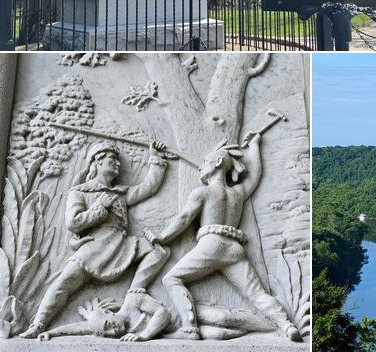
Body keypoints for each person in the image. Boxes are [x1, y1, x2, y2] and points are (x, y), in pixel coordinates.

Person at [146, 132, 301, 341]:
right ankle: (286, 325)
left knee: (171, 278)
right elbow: (255, 175)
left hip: (211, 245)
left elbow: (184, 218)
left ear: (218, 162)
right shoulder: (238, 193)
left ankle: (190, 328)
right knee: (257, 293)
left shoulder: (202, 192)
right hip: (234, 249)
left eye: (205, 162)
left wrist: (162, 237)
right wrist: (255, 146)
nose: (201, 167)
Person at [21, 141, 170, 338]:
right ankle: (38, 325)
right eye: (112, 159)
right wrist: (100, 207)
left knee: (158, 250)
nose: (117, 163)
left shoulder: (119, 193)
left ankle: (135, 292)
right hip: (94, 247)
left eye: (117, 159)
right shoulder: (80, 192)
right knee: (63, 284)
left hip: (122, 244)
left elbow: (149, 187)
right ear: (98, 162)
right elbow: (73, 223)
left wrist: (156, 158)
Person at [37, 287, 272, 342]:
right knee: (218, 335)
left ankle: (269, 325)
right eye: (105, 333)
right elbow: (81, 328)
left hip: (185, 313)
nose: (111, 331)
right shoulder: (108, 329)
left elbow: (162, 313)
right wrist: (50, 332)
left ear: (109, 313)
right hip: (180, 333)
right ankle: (256, 335)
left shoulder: (133, 300)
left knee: (224, 318)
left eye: (108, 324)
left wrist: (145, 335)